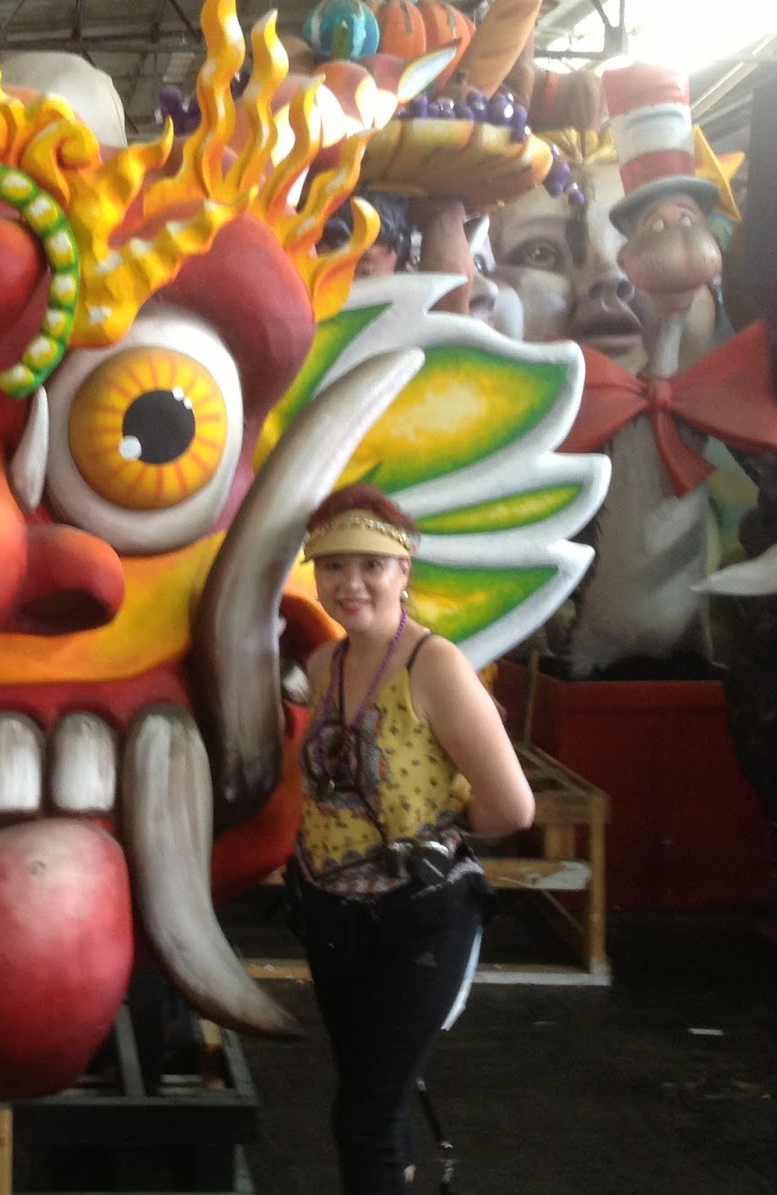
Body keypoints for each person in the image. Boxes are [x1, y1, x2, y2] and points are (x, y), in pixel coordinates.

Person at [289, 483, 535, 1193]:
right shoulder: (323, 668)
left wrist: (435, 836)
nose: (351, 582)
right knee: (374, 1099)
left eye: (371, 564)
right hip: (332, 918)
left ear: (404, 571)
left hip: (418, 918)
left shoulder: (436, 666)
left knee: (364, 1116)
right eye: (333, 565)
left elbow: (512, 805)